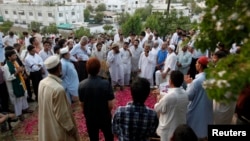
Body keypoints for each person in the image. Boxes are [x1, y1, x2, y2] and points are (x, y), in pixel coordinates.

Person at [38, 55, 79, 141]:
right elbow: (62, 115)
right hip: (58, 130)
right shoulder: (58, 89)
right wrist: (72, 129)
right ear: (59, 67)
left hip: (47, 124)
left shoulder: (42, 82)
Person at [78, 58, 115, 141]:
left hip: (90, 117)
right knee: (108, 136)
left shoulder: (81, 85)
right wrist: (106, 112)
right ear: (99, 69)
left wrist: (87, 113)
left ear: (87, 70)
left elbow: (82, 104)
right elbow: (110, 104)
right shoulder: (105, 83)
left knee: (93, 137)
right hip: (104, 116)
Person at [154, 70, 189, 141]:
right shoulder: (185, 94)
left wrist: (158, 99)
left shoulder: (169, 97)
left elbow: (157, 108)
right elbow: (174, 96)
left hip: (168, 129)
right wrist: (161, 93)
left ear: (170, 81)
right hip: (180, 126)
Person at [184, 56, 213, 138]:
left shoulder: (197, 81)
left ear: (200, 66)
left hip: (196, 110)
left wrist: (189, 84)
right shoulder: (211, 78)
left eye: (197, 63)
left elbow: (188, 96)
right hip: (207, 109)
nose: (195, 65)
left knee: (195, 132)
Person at [3, 50, 33, 121]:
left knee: (23, 96)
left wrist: (22, 73)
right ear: (9, 57)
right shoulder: (6, 67)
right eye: (14, 55)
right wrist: (17, 72)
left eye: (15, 55)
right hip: (13, 86)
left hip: (20, 82)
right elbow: (8, 78)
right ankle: (19, 114)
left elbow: (19, 71)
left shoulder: (15, 63)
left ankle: (25, 109)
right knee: (17, 99)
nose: (16, 57)